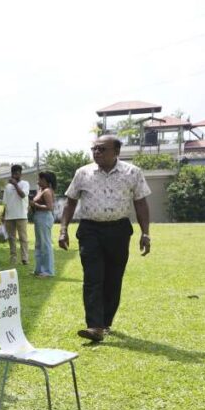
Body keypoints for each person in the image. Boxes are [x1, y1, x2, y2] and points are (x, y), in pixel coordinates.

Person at [58, 135, 151, 342]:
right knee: (92, 277)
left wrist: (145, 233)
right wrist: (63, 229)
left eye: (102, 149)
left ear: (116, 152)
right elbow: (70, 202)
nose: (96, 152)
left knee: (113, 278)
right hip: (90, 230)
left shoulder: (132, 172)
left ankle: (105, 321)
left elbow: (141, 203)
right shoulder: (83, 173)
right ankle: (94, 326)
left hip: (118, 230)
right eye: (94, 149)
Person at [2, 164, 30, 266]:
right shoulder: (7, 187)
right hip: (9, 216)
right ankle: (13, 258)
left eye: (17, 173)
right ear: (11, 174)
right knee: (11, 238)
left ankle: (25, 258)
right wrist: (3, 215)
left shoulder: (25, 184)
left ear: (21, 174)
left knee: (23, 238)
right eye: (13, 173)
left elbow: (22, 195)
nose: (15, 175)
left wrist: (15, 185)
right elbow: (5, 202)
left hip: (21, 215)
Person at [31, 171, 57, 277]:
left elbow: (50, 207)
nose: (38, 181)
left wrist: (35, 204)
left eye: (41, 179)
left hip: (44, 217)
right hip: (39, 217)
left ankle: (48, 271)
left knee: (45, 244)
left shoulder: (46, 191)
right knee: (39, 244)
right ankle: (38, 269)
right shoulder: (41, 190)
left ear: (47, 181)